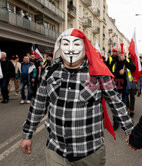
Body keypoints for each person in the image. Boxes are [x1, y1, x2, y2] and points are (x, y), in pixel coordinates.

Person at [20, 28, 133, 166]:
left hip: (90, 152)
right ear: (59, 48)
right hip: (56, 150)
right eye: (66, 44)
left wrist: (129, 130)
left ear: (85, 48)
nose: (71, 49)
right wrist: (27, 134)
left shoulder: (98, 74)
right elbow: (39, 105)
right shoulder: (50, 72)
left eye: (76, 44)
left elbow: (116, 103)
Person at [111, 46, 136, 130]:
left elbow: (133, 68)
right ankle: (116, 122)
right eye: (120, 53)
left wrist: (124, 60)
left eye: (123, 53)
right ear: (118, 53)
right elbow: (110, 72)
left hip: (126, 85)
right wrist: (118, 73)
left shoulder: (128, 60)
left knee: (125, 104)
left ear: (125, 53)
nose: (121, 54)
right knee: (116, 104)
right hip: (116, 85)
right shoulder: (114, 61)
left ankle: (124, 121)